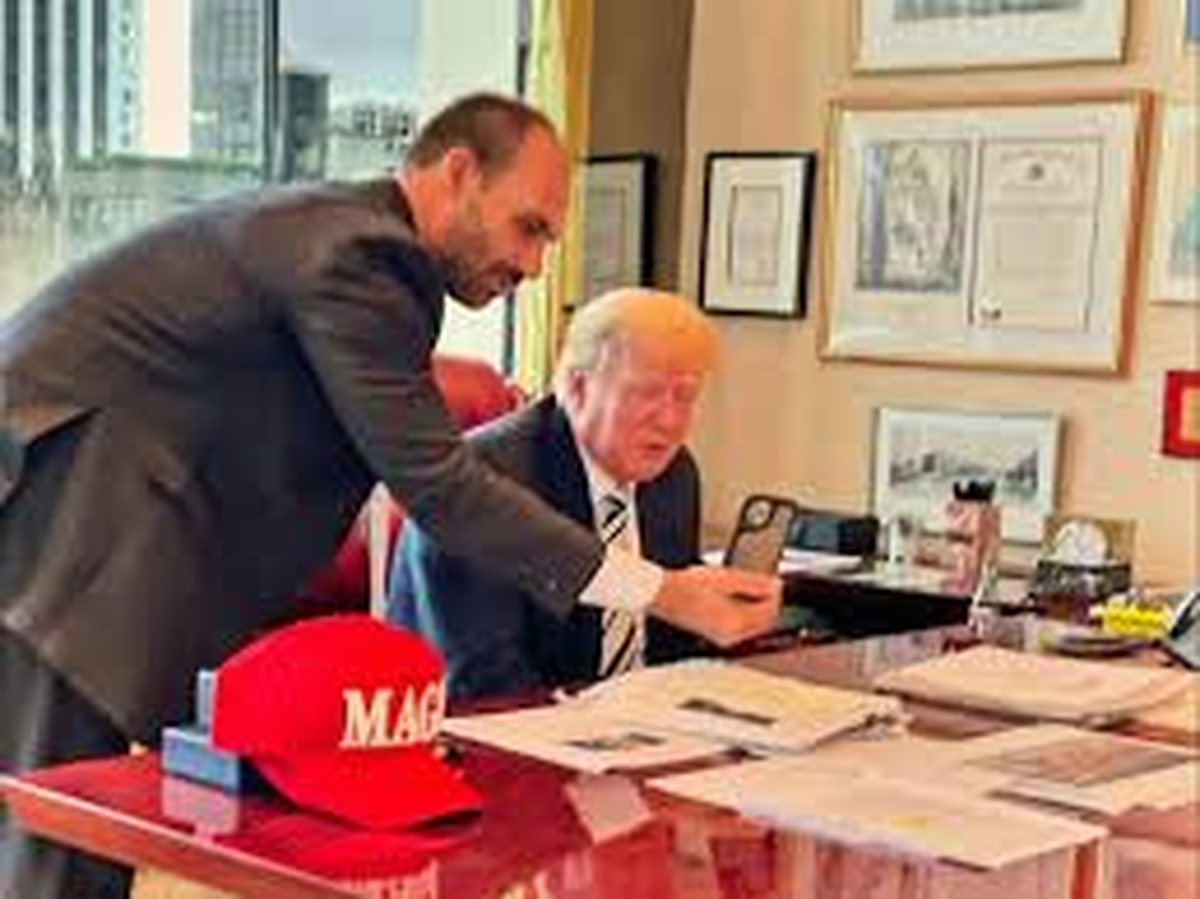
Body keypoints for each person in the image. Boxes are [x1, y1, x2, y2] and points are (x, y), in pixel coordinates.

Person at [0, 93, 779, 897]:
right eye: (530, 227)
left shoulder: (341, 237)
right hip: (67, 524)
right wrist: (665, 591)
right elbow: (439, 487)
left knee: (64, 844)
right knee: (59, 848)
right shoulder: (362, 255)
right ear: (459, 173)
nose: (535, 266)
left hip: (84, 523)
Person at [390, 288, 724, 698]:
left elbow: (667, 643)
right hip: (491, 732)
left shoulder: (674, 476)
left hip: (641, 728)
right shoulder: (479, 483)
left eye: (685, 396)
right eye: (648, 392)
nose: (670, 420)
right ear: (577, 386)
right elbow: (482, 680)